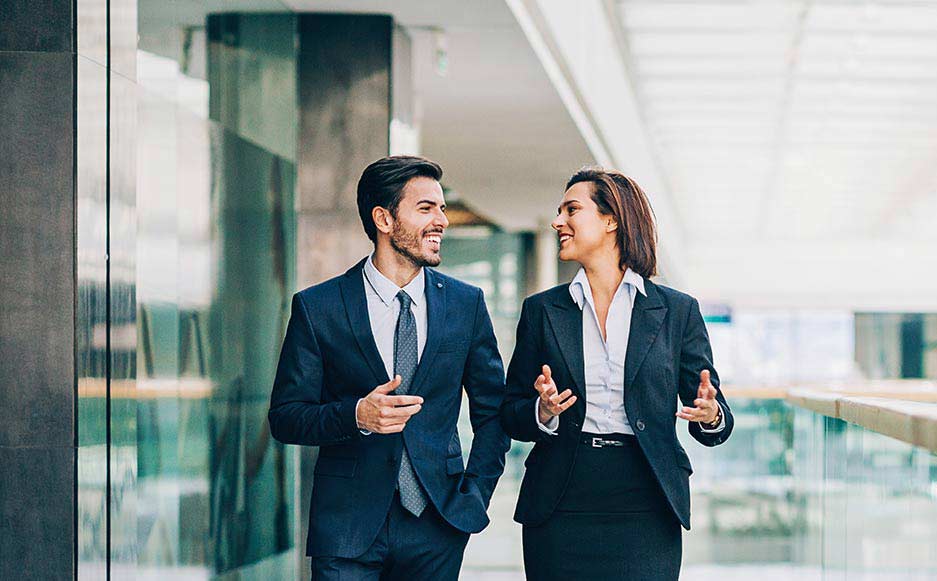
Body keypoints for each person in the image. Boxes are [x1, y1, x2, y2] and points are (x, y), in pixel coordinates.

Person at [268, 155, 510, 580]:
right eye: (425, 208)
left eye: (441, 207)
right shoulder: (318, 307)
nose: (442, 220)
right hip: (346, 528)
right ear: (383, 218)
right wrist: (356, 414)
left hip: (438, 523)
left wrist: (474, 496)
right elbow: (286, 417)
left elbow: (494, 413)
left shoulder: (465, 304)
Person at [501, 167, 734, 580]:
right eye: (559, 212)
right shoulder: (542, 310)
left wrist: (710, 414)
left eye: (572, 209)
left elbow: (714, 416)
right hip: (560, 500)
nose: (558, 222)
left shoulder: (677, 311)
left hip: (646, 501)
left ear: (611, 220)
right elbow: (511, 413)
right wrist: (543, 410)